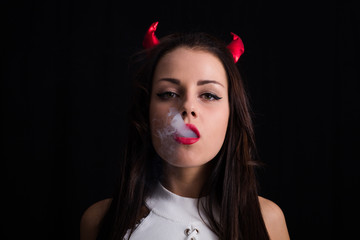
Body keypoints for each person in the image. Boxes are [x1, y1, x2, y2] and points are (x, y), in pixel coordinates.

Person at [80, 22, 290, 240]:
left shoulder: (267, 220)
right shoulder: (99, 221)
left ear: (232, 113)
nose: (188, 107)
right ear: (146, 110)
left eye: (209, 95)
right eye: (169, 93)